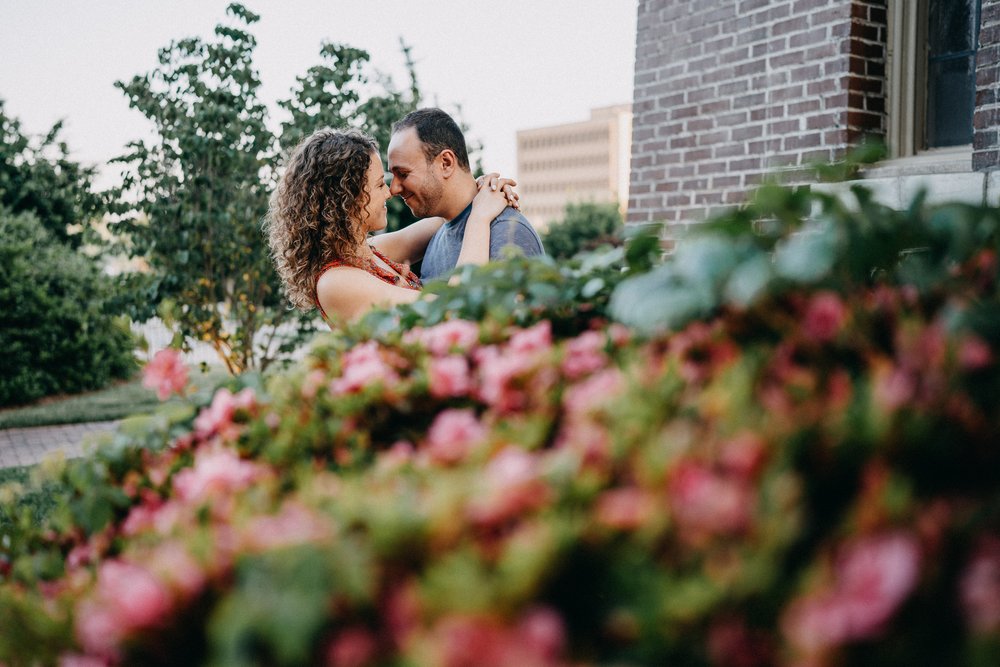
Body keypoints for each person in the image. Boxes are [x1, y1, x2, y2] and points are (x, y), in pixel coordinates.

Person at [264, 127, 517, 325]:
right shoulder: (335, 283)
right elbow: (452, 310)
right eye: (378, 185)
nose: (390, 192)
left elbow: (448, 213)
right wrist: (481, 217)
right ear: (345, 199)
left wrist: (479, 188)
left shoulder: (367, 252)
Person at [388, 108, 545, 281]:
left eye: (403, 174)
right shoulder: (437, 237)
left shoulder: (507, 232)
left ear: (446, 163)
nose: (393, 189)